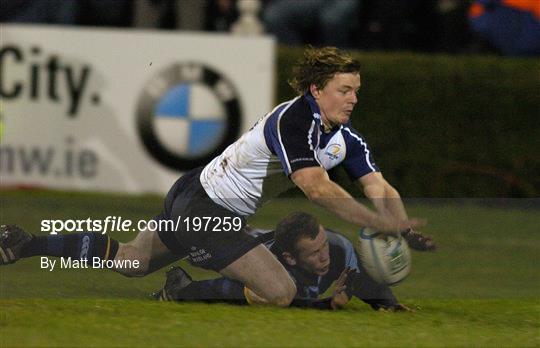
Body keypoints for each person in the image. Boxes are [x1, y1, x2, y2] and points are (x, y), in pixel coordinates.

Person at [0, 46, 433, 308]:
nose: (355, 98)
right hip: (208, 209)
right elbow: (315, 187)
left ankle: (23, 243)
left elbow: (379, 186)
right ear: (316, 90)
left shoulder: (344, 138)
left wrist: (398, 226)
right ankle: (185, 290)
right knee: (280, 292)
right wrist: (376, 224)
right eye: (345, 89)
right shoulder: (294, 119)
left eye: (357, 89)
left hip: (194, 194)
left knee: (132, 261)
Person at [154, 212, 410, 311]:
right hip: (225, 244)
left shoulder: (337, 247)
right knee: (243, 292)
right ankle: (181, 288)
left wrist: (388, 304)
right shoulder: (281, 271)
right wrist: (331, 304)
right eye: (314, 253)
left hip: (251, 235)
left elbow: (363, 278)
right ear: (290, 258)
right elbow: (295, 303)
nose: (325, 256)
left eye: (324, 245)